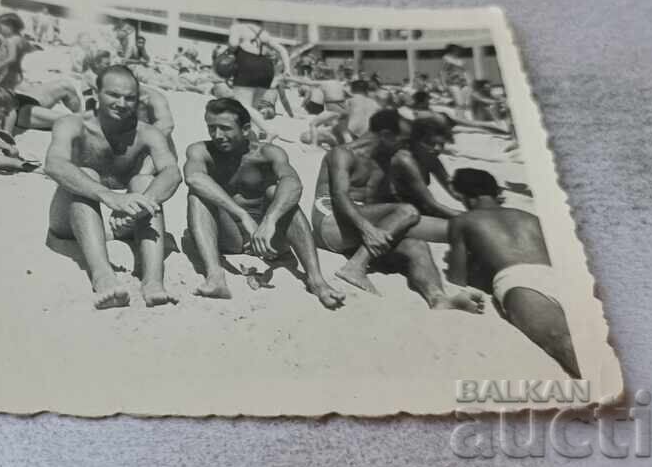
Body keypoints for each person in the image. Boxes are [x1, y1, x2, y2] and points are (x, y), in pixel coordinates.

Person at [311, 110, 485, 312]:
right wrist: (367, 228)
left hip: (358, 231)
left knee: (417, 245)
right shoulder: (342, 154)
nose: (405, 145)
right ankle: (356, 266)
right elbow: (340, 196)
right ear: (386, 135)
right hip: (330, 223)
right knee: (408, 211)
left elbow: (388, 203)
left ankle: (438, 298)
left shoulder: (387, 160)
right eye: (402, 141)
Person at [183, 99, 345, 309]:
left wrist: (269, 221)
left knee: (279, 193)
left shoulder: (267, 153)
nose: (217, 135)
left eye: (224, 128)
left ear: (246, 129)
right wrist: (242, 215)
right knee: (197, 195)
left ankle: (316, 280)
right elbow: (194, 178)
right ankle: (216, 277)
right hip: (228, 236)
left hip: (268, 239)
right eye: (211, 128)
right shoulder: (201, 151)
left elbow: (294, 184)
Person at [45, 66, 181, 309]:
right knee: (85, 174)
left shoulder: (147, 133)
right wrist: (108, 196)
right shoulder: (72, 124)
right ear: (96, 93)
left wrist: (140, 204)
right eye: (113, 95)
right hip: (72, 221)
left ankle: (152, 281)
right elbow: (54, 164)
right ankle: (103, 277)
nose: (122, 103)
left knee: (144, 182)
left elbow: (172, 172)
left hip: (125, 222)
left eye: (130, 98)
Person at [445, 168, 580, 377]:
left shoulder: (463, 221)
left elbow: (456, 278)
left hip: (519, 282)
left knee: (565, 346)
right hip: (559, 276)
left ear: (464, 196)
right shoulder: (532, 217)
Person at [226, 18, 294, 114]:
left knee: (242, 106)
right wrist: (287, 69)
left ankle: (268, 129)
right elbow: (282, 50)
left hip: (247, 65)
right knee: (253, 108)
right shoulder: (264, 33)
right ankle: (255, 128)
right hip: (265, 67)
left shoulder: (238, 27)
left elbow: (233, 44)